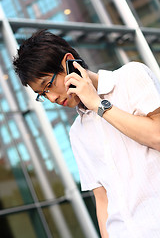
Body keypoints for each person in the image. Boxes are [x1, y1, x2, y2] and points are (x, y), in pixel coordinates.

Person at [13, 29, 160, 238]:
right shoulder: (77, 133)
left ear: (69, 62)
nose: (52, 98)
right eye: (42, 94)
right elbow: (103, 200)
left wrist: (98, 104)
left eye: (49, 85)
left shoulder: (131, 77)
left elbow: (158, 136)